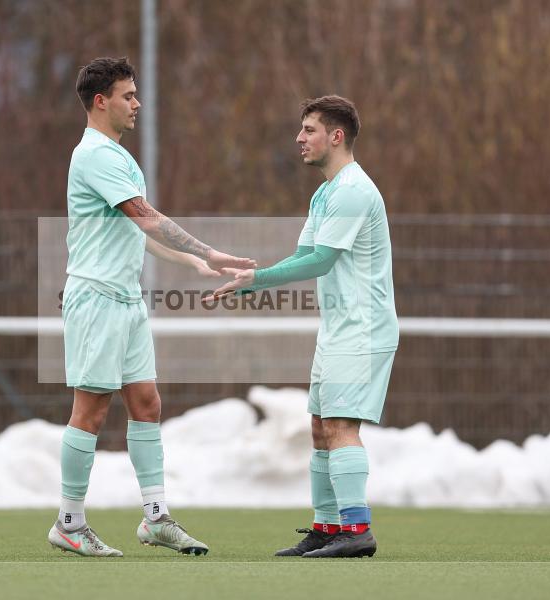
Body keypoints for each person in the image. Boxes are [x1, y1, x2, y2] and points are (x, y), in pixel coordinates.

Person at [48, 56, 256, 558]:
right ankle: (69, 523)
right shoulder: (95, 155)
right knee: (91, 410)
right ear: (101, 102)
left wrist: (192, 262)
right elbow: (146, 216)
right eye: (128, 95)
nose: (137, 103)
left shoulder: (118, 156)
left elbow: (137, 229)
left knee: (146, 404)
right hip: (95, 297)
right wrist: (207, 249)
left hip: (126, 299)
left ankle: (156, 518)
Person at [210, 96, 399, 558]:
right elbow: (303, 256)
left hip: (363, 329)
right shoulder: (326, 192)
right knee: (319, 427)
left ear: (336, 137)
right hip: (339, 329)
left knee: (339, 425)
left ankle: (357, 533)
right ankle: (328, 527)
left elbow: (322, 260)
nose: (299, 138)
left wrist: (260, 279)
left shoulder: (354, 189)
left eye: (309, 129)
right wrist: (252, 283)